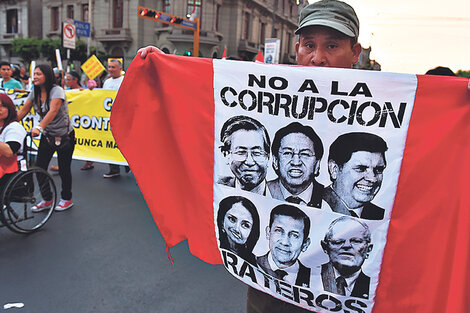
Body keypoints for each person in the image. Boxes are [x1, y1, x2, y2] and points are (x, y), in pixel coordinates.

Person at [138, 1, 363, 311]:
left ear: (356, 52)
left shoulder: (389, 107)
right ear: (296, 48)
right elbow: (197, 106)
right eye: (309, 45)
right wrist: (162, 70)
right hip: (267, 296)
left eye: (333, 45)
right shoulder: (265, 94)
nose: (318, 58)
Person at [17, 64, 75, 211]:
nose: (35, 77)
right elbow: (24, 110)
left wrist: (39, 127)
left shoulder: (57, 91)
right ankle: (47, 199)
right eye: (34, 74)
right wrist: (5, 125)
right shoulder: (34, 91)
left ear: (47, 76)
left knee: (64, 170)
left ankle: (67, 199)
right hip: (47, 136)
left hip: (64, 136)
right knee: (39, 167)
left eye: (38, 74)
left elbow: (53, 111)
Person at [323, 132, 388, 220]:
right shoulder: (312, 205)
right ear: (334, 169)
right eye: (361, 168)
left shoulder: (381, 216)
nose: (372, 179)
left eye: (379, 170)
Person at [268, 122, 324, 208]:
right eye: (287, 153)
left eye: (305, 154)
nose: (296, 162)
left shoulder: (328, 201)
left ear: (317, 164)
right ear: (275, 161)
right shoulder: (262, 192)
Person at [256, 204, 311, 288]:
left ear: (305, 244)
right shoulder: (253, 263)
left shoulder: (315, 278)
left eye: (294, 235)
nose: (285, 242)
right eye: (278, 231)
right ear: (268, 233)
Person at [320, 216, 373, 299]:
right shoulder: (310, 275)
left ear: (368, 250)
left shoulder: (374, 285)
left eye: (356, 241)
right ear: (325, 247)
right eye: (338, 241)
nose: (347, 245)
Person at [218, 115, 271, 195]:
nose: (249, 162)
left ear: (267, 157)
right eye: (241, 152)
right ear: (226, 155)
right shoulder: (215, 186)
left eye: (256, 153)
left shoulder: (285, 196)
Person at [102, 60, 128, 178]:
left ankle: (127, 164)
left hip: (123, 118)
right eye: (109, 67)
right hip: (109, 118)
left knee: (124, 143)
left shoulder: (125, 80)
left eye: (113, 67)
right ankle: (113, 168)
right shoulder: (106, 82)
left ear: (119, 69)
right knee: (110, 142)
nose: (110, 69)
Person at [217, 196, 260, 266]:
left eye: (245, 225)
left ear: (252, 232)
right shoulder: (213, 249)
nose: (237, 229)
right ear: (222, 222)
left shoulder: (258, 264)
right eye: (232, 219)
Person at [0, 94, 26, 187]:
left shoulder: (14, 127)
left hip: (10, 166)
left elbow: (9, 151)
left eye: (2, 106)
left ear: (9, 109)